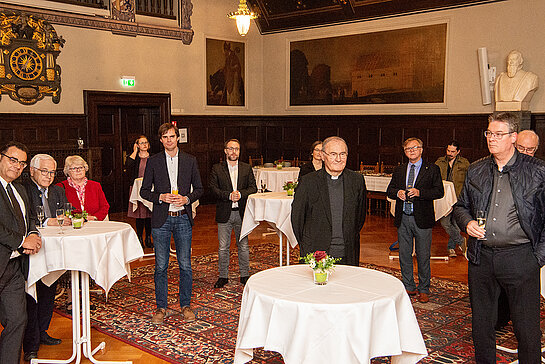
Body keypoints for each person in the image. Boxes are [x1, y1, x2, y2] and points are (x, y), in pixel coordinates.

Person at [453, 112, 545, 363]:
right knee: (482, 325)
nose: (491, 139)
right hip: (481, 258)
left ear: (513, 137)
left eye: (498, 134)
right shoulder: (476, 169)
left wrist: (537, 258)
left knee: (526, 328)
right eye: (489, 134)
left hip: (520, 258)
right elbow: (459, 207)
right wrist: (468, 222)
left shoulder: (537, 171)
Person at [141, 123, 203, 324]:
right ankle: (161, 307)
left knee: (185, 265)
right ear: (160, 140)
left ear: (178, 138)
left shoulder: (190, 160)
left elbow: (200, 189)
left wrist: (187, 199)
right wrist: (160, 197)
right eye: (165, 137)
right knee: (161, 266)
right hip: (161, 219)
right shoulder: (153, 161)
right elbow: (143, 191)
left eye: (172, 136)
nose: (169, 140)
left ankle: (185, 305)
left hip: (183, 218)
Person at [291, 136, 367, 266]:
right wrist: (306, 245)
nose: (338, 159)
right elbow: (297, 218)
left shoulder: (357, 180)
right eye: (333, 154)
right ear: (323, 156)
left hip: (348, 252)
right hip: (315, 251)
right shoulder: (308, 182)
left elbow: (360, 217)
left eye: (342, 154)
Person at [386, 137, 444, 303]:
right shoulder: (399, 170)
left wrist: (420, 193)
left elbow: (439, 192)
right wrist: (398, 193)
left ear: (421, 150)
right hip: (403, 217)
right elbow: (390, 190)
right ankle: (408, 286)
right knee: (404, 254)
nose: (411, 151)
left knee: (423, 255)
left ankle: (424, 288)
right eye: (408, 149)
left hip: (422, 219)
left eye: (414, 148)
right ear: (404, 152)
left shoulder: (432, 169)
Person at [22, 154, 67, 361]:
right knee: (32, 297)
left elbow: (64, 213)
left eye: (51, 172)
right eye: (44, 171)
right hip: (32, 249)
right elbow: (29, 218)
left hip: (54, 249)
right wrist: (51, 221)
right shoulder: (23, 190)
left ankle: (43, 332)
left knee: (49, 291)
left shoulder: (58, 190)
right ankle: (30, 343)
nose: (49, 176)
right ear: (32, 171)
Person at [0, 141, 41, 363]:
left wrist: (33, 234)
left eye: (22, 163)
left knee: (17, 320)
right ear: (1, 157)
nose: (17, 166)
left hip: (15, 267)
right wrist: (21, 241)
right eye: (12, 160)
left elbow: (31, 219)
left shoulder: (21, 189)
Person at [496, 128, 541, 331]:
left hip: (529, 249)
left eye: (529, 150)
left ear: (536, 150)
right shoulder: (498, 169)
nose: (524, 153)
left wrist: (537, 257)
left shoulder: (540, 173)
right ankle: (502, 318)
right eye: (520, 147)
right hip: (502, 248)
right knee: (502, 292)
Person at [209, 139, 257, 288]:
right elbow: (212, 189)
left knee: (243, 246)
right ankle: (223, 276)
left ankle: (244, 275)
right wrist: (228, 195)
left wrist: (241, 194)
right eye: (230, 148)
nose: (233, 152)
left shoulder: (246, 168)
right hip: (225, 212)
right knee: (223, 247)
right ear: (225, 151)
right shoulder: (217, 168)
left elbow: (253, 188)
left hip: (242, 213)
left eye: (236, 149)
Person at [434, 141, 469, 257]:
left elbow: (469, 180)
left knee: (456, 224)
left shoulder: (464, 163)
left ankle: (451, 248)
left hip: (459, 198)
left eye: (453, 151)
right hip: (444, 198)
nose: (450, 153)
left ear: (458, 152)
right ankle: (461, 241)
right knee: (445, 223)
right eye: (448, 151)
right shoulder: (440, 162)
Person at [57, 155, 109, 221]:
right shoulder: (60, 187)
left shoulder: (95, 185)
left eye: (81, 167)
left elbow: (104, 206)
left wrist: (94, 217)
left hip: (94, 224)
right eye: (74, 168)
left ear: (85, 169)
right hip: (71, 226)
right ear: (68, 171)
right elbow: (57, 210)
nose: (78, 170)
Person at [126, 135, 152, 248]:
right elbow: (128, 165)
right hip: (137, 189)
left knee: (149, 215)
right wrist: (135, 151)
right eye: (141, 143)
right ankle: (140, 238)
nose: (144, 144)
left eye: (146, 142)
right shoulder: (135, 157)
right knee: (140, 215)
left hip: (150, 188)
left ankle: (148, 238)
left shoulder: (153, 157)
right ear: (137, 145)